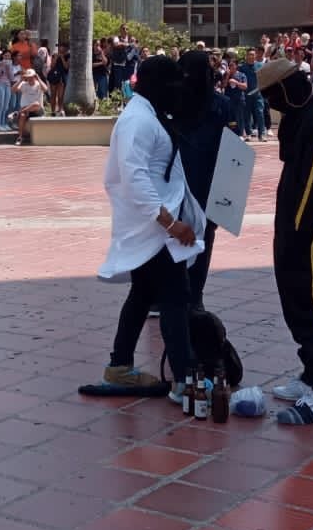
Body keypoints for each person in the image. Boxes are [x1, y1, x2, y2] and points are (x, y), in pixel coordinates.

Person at [81, 55, 204, 398]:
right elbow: (134, 178)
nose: (177, 90)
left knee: (143, 295)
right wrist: (171, 224)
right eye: (173, 84)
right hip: (153, 228)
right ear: (156, 85)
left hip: (153, 228)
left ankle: (119, 367)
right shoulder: (138, 121)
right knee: (176, 299)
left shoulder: (150, 115)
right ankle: (184, 380)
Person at [257, 58, 313, 425]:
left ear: (284, 88)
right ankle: (309, 372)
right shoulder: (300, 110)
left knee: (309, 296)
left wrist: (297, 231)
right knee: (292, 295)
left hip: (308, 225)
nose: (269, 105)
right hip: (291, 217)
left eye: (270, 96)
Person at [174, 50, 232, 311]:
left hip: (175, 185)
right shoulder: (221, 104)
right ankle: (195, 296)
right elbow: (233, 150)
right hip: (209, 186)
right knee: (203, 242)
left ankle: (172, 295)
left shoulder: (171, 104)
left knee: (172, 240)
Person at [13, 65, 47, 145]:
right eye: (28, 77)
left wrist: (38, 78)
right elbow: (13, 90)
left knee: (36, 104)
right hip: (26, 110)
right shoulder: (24, 84)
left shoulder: (39, 84)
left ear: (34, 76)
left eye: (31, 77)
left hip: (37, 110)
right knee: (22, 115)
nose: (30, 78)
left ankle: (18, 112)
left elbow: (45, 89)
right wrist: (20, 80)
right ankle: (20, 137)